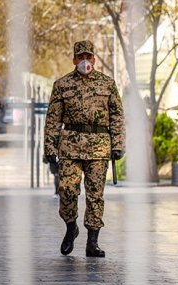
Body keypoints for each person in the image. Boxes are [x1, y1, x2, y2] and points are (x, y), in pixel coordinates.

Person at [44, 40, 125, 257]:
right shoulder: (62, 85)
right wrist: (49, 148)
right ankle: (71, 227)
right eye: (81, 57)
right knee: (67, 191)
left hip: (99, 146)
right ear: (74, 60)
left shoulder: (107, 84)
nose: (85, 61)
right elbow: (53, 119)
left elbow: (117, 116)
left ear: (94, 59)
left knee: (95, 195)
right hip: (70, 146)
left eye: (88, 57)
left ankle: (92, 242)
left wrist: (118, 144)